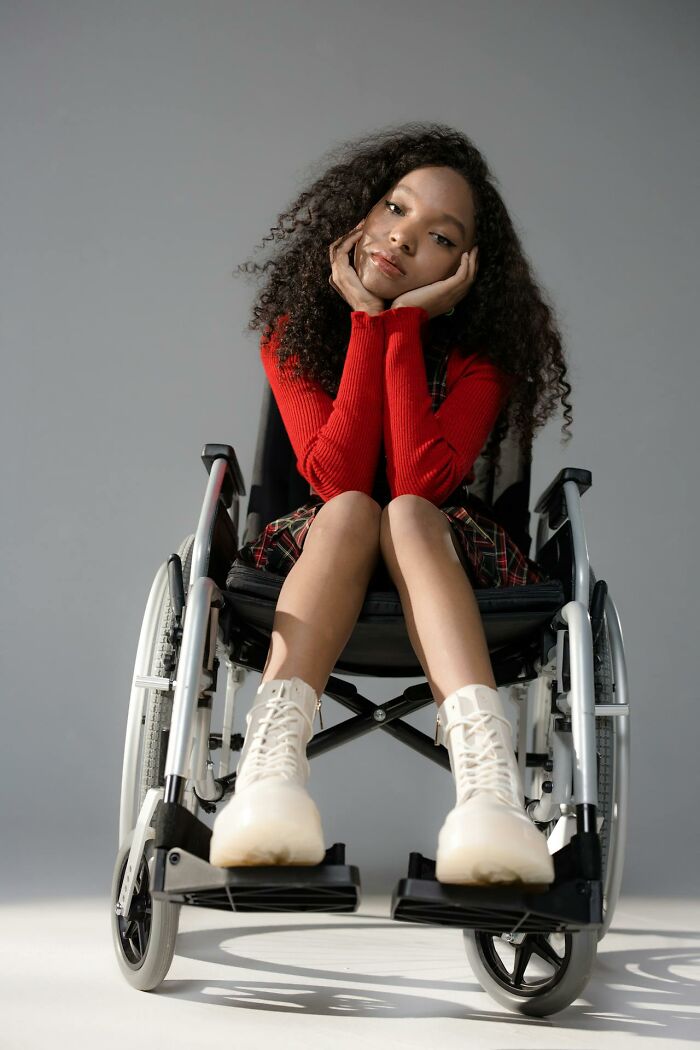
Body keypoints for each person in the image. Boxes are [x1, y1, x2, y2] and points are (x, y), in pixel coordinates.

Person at [209, 123, 573, 887]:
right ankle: (270, 776)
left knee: (402, 510)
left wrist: (398, 325)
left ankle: (487, 790)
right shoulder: (296, 333)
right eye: (395, 209)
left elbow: (423, 479)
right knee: (349, 507)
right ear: (359, 215)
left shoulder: (481, 357)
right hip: (324, 545)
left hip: (448, 555)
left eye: (439, 236)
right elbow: (332, 469)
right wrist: (364, 325)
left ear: (466, 268)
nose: (405, 239)